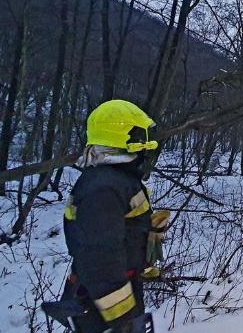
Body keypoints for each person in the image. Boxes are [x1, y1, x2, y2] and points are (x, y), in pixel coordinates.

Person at [56, 99, 166, 332]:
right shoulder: (103, 187)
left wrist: (145, 247)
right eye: (139, 135)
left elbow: (118, 235)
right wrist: (123, 318)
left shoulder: (118, 180)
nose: (145, 144)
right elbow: (99, 255)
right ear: (123, 137)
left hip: (116, 286)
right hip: (103, 303)